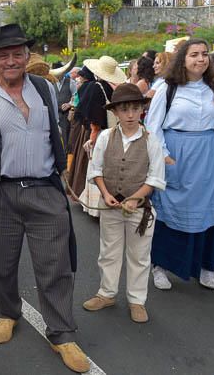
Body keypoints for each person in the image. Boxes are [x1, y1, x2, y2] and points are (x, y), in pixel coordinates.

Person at [0, 24, 89, 373]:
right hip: (0, 192)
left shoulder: (45, 88)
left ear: (28, 57)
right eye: (3, 55)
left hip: (45, 189)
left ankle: (61, 332)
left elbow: (56, 134)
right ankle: (8, 312)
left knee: (55, 264)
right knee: (3, 262)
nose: (10, 61)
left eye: (17, 54)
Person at [145, 39, 214, 290]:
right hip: (178, 153)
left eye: (204, 55)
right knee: (171, 210)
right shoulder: (168, 89)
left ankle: (206, 266)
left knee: (210, 213)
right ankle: (161, 266)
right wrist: (165, 157)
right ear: (182, 59)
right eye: (194, 55)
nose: (200, 59)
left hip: (210, 155)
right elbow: (153, 128)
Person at [83, 83, 165, 323]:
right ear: (115, 112)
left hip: (139, 209)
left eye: (135, 109)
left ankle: (137, 300)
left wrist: (136, 198)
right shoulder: (106, 137)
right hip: (110, 206)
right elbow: (96, 169)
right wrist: (105, 193)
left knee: (139, 256)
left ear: (142, 111)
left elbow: (155, 177)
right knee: (109, 251)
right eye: (124, 110)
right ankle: (107, 293)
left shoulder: (151, 141)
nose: (130, 115)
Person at [67, 56, 126, 207]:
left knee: (92, 166)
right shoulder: (113, 87)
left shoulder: (93, 87)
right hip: (111, 133)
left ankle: (92, 203)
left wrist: (92, 136)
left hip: (95, 132)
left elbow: (92, 117)